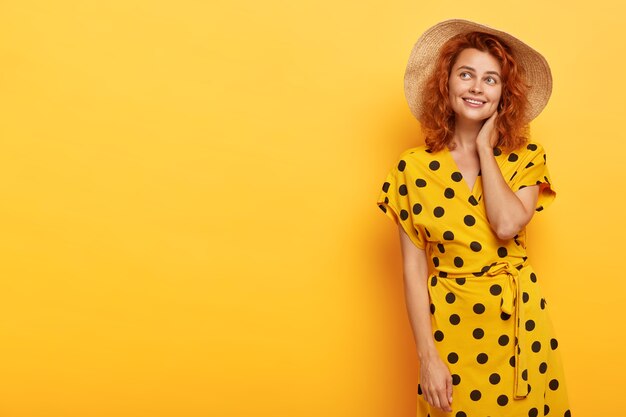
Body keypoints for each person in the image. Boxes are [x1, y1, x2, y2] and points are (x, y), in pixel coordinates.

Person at [376, 19, 571, 417]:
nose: (476, 87)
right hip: (451, 325)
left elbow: (505, 225)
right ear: (446, 83)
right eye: (466, 74)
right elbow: (412, 271)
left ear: (505, 94)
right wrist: (427, 357)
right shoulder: (411, 169)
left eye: (490, 79)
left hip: (519, 327)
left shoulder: (526, 157)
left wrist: (485, 147)